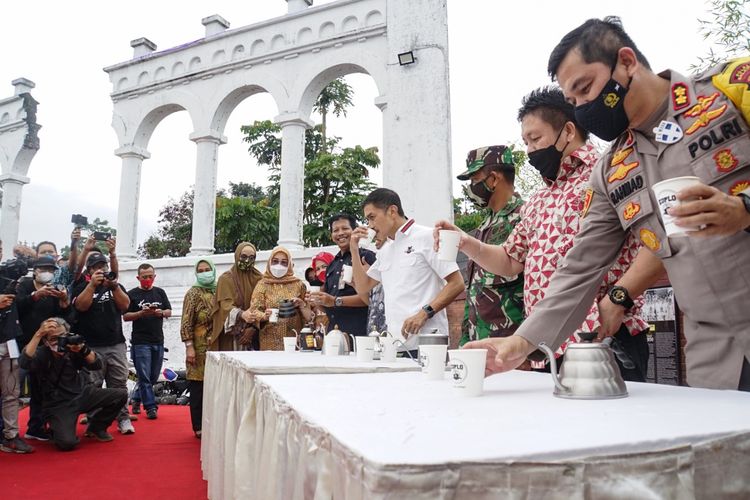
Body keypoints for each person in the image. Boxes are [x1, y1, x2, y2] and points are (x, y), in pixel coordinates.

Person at [466, 17, 750, 391]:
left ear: (627, 62)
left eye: (585, 88)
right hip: (714, 354)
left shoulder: (732, 89)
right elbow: (580, 266)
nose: (584, 107)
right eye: (573, 101)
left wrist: (743, 209)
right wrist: (522, 343)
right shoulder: (613, 170)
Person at [437, 86, 662, 381]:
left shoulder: (611, 172)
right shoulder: (540, 199)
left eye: (535, 138)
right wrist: (466, 243)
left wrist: (619, 298)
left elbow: (658, 238)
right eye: (525, 142)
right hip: (548, 345)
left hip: (602, 336)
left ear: (567, 131)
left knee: (612, 424)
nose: (530, 150)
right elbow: (509, 260)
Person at [350, 188, 464, 355]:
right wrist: (354, 249)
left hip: (428, 343)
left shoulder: (426, 236)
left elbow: (457, 283)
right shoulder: (385, 250)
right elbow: (362, 287)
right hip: (394, 346)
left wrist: (424, 313)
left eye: (372, 218)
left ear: (392, 211)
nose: (370, 226)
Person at [19, 318, 128, 451]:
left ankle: (97, 427)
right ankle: (58, 428)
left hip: (83, 394)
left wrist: (83, 349)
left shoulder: (73, 348)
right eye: (54, 338)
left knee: (121, 394)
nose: (59, 341)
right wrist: (38, 334)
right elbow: (24, 362)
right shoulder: (42, 353)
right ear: (45, 341)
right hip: (59, 404)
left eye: (62, 336)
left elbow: (97, 364)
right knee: (67, 443)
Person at [455, 145, 525, 346]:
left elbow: (536, 287)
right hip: (479, 341)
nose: (471, 187)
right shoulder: (484, 225)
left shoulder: (526, 217)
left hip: (511, 343)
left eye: (475, 179)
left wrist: (528, 349)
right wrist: (465, 339)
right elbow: (473, 288)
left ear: (493, 179)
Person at [71, 246, 134, 433]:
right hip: (91, 346)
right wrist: (92, 285)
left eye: (103, 266)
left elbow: (125, 306)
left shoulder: (115, 285)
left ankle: (123, 419)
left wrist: (113, 286)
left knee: (119, 383)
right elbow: (81, 307)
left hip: (116, 344)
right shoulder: (82, 286)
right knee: (94, 386)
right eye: (96, 267)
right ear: (89, 271)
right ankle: (94, 421)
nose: (101, 270)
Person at [16, 255, 71, 441]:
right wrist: (34, 296)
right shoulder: (23, 285)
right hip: (23, 344)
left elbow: (63, 317)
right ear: (35, 271)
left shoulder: (55, 290)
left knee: (40, 388)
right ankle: (8, 430)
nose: (47, 273)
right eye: (43, 269)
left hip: (45, 348)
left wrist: (64, 301)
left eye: (51, 270)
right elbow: (16, 307)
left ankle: (36, 427)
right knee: (13, 387)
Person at [309, 215, 376, 337]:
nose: (340, 233)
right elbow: (329, 305)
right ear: (331, 235)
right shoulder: (332, 265)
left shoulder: (366, 257)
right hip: (334, 334)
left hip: (360, 334)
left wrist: (336, 301)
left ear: (355, 230)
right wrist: (318, 301)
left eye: (345, 228)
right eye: (335, 230)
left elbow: (373, 299)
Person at [124, 263, 172, 420]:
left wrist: (161, 313)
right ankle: (151, 407)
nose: (147, 279)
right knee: (144, 376)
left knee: (152, 376)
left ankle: (137, 398)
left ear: (154, 276)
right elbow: (125, 316)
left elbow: (169, 311)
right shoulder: (132, 294)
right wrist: (140, 313)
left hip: (158, 340)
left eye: (150, 276)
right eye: (144, 277)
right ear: (138, 278)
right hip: (140, 341)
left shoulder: (160, 293)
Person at [249, 247, 314, 350]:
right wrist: (264, 316)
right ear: (269, 263)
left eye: (284, 263)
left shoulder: (299, 285)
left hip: (294, 339)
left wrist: (301, 304)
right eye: (275, 261)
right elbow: (254, 310)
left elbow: (308, 315)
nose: (279, 266)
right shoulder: (262, 285)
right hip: (269, 340)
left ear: (289, 265)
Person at [181, 259, 216, 438]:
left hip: (217, 348)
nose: (204, 273)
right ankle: (199, 426)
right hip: (198, 349)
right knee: (198, 388)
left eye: (207, 269)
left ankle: (214, 424)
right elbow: (186, 322)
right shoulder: (193, 293)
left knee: (215, 387)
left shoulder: (218, 291)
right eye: (200, 270)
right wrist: (189, 347)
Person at [0, 277, 33, 453]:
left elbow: (23, 304)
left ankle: (11, 436)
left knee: (12, 392)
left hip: (10, 341)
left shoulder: (8, 278)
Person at [211, 242, 263, 351]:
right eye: (243, 256)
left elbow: (262, 305)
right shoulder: (226, 279)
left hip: (254, 336)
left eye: (251, 257)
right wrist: (242, 314)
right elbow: (225, 306)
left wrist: (253, 329)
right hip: (231, 336)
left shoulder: (260, 279)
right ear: (237, 256)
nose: (247, 260)